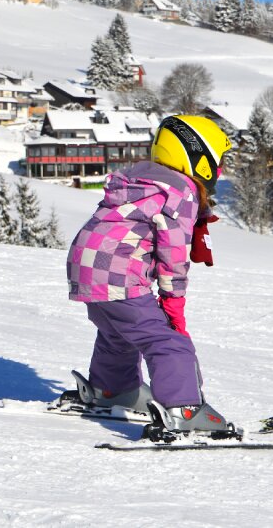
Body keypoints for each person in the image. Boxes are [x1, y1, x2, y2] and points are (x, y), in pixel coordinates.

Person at [66, 115, 232, 433]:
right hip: (117, 272)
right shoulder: (180, 191)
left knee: (118, 334)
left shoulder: (141, 181)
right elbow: (173, 253)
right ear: (201, 157)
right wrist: (173, 301)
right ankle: (184, 410)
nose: (220, 170)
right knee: (168, 342)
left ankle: (114, 390)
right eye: (220, 161)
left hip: (85, 267)